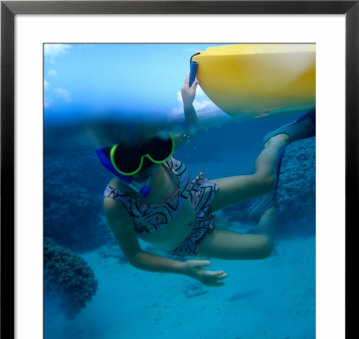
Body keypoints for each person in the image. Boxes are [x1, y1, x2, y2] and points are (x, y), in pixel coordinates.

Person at [102, 74, 315, 286]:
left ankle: (277, 140)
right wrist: (183, 269)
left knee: (265, 181)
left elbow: (190, 130)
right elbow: (135, 256)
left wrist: (187, 102)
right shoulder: (116, 202)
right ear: (111, 161)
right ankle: (267, 209)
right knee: (264, 246)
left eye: (157, 151)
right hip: (190, 238)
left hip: (197, 197)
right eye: (131, 163)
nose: (148, 164)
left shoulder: (155, 149)